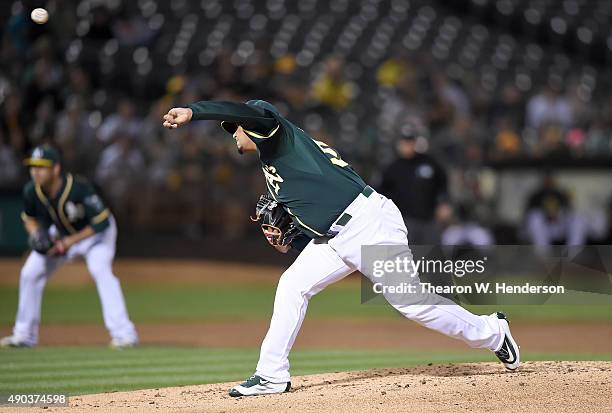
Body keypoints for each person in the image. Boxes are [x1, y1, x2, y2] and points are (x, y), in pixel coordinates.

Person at [162, 100, 520, 397]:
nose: (235, 134)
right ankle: (271, 374)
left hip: (368, 224)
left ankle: (492, 331)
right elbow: (310, 219)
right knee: (292, 285)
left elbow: (250, 113)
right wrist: (292, 238)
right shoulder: (275, 163)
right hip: (335, 238)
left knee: (411, 303)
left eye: (236, 128)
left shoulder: (276, 132)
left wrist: (195, 112)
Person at [0, 145, 138, 349]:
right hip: (61, 234)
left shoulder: (78, 188)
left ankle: (124, 334)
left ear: (56, 169)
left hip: (95, 236)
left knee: (100, 270)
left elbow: (101, 222)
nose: (36, 171)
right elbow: (29, 219)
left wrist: (68, 243)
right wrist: (37, 234)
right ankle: (24, 335)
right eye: (33, 166)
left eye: (42, 167)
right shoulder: (32, 190)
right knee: (30, 273)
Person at [378, 124, 451, 245]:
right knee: (407, 257)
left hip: (429, 220)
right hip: (403, 221)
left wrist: (444, 202)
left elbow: (442, 184)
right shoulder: (391, 168)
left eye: (410, 142)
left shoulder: (428, 162)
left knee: (431, 257)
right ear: (399, 144)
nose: (407, 146)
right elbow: (382, 194)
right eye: (404, 142)